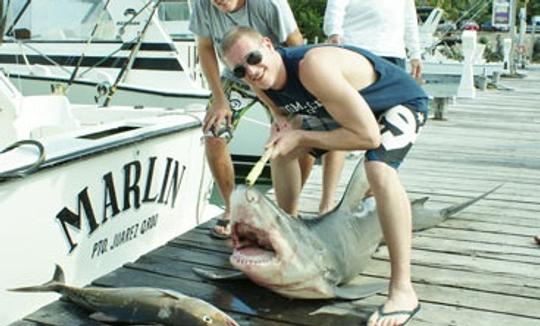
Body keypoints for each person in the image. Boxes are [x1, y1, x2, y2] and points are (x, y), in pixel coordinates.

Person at [219, 27, 427, 326]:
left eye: (254, 58)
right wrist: (282, 123)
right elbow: (280, 110)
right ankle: (287, 238)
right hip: (349, 112)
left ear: (268, 44)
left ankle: (403, 290)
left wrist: (301, 136)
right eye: (240, 69)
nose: (250, 71)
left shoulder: (312, 66)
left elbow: (368, 137)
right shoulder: (259, 81)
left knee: (378, 170)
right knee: (282, 151)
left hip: (396, 103)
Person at [189, 0, 342, 239]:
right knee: (214, 132)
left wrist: (298, 96)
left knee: (300, 139)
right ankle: (233, 209)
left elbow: (295, 43)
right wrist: (219, 98)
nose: (216, 1)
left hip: (274, 75)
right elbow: (205, 47)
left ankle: (289, 208)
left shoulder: (270, 4)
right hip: (236, 76)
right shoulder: (203, 5)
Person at [324, 0, 423, 79]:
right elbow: (335, 7)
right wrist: (334, 32)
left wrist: (415, 54)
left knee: (394, 102)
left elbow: (409, 20)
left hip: (394, 54)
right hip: (357, 50)